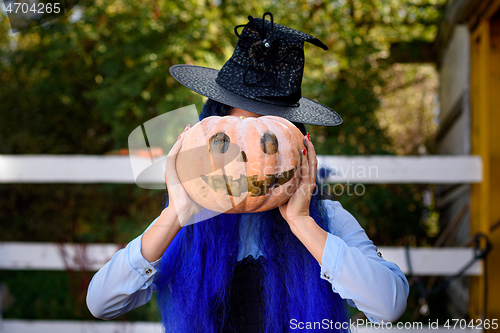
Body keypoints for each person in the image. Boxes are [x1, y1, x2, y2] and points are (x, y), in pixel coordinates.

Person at [87, 12, 409, 333]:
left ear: (299, 147)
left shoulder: (325, 218)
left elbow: (389, 305)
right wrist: (176, 214)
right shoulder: (187, 225)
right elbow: (101, 303)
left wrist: (302, 223)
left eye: (266, 140)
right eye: (227, 139)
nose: (246, 161)